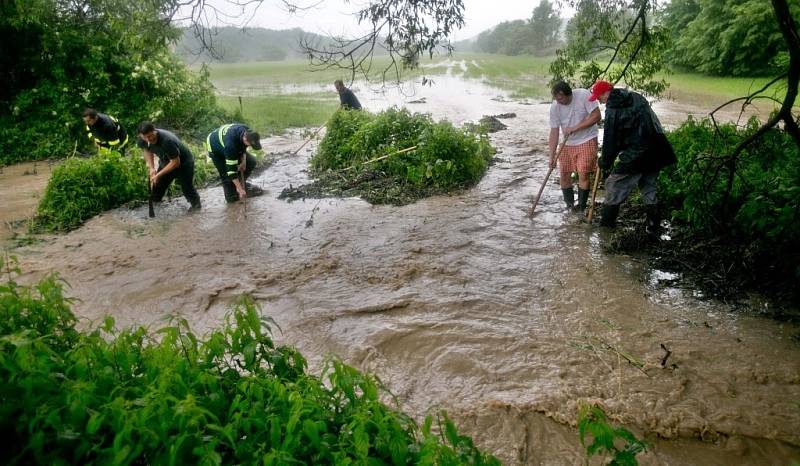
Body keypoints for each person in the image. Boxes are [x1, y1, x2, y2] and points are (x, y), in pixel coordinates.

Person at [589, 80, 677, 234]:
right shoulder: (636, 97)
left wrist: (604, 162)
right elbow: (652, 123)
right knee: (648, 185)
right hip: (658, 149)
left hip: (638, 153)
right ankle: (653, 227)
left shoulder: (613, 109)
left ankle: (605, 228)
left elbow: (611, 140)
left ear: (606, 92)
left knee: (613, 184)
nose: (598, 100)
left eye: (599, 96)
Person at [548, 81, 602, 211]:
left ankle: (582, 207)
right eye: (556, 99)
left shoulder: (583, 95)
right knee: (564, 175)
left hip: (587, 139)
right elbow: (554, 132)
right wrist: (552, 156)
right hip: (567, 143)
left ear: (568, 94)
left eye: (560, 98)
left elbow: (597, 116)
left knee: (583, 174)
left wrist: (575, 128)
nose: (558, 101)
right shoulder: (555, 107)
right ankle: (570, 206)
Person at [136, 122, 202, 212]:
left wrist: (158, 174)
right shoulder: (143, 139)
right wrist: (151, 168)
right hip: (166, 160)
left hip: (184, 163)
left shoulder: (167, 140)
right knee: (157, 186)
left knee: (187, 188)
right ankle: (157, 209)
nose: (149, 139)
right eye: (146, 137)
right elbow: (147, 150)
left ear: (154, 130)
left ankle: (196, 207)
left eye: (151, 136)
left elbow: (176, 162)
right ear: (141, 136)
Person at [205, 123, 263, 203]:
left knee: (251, 161)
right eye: (250, 145)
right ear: (245, 139)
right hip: (215, 148)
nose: (250, 146)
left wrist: (243, 162)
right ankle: (233, 198)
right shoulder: (231, 146)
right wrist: (240, 190)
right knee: (227, 177)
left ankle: (240, 184)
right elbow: (231, 172)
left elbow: (243, 147)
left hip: (227, 139)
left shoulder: (247, 131)